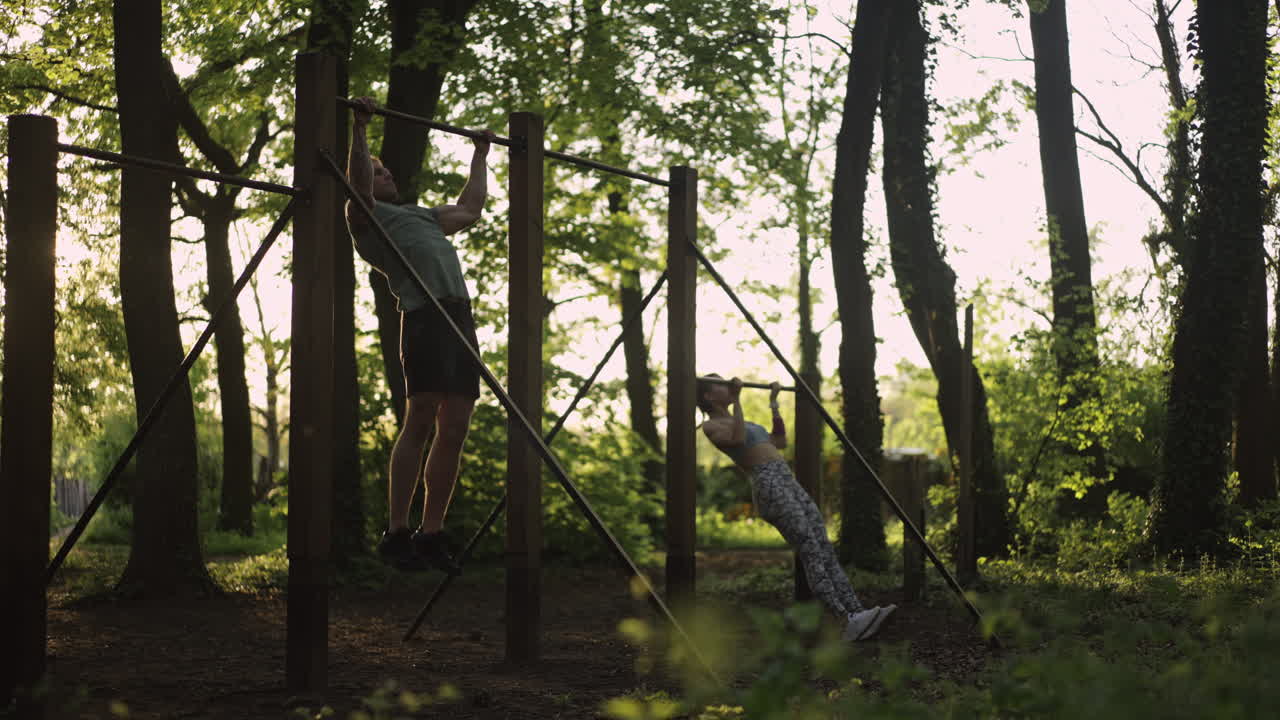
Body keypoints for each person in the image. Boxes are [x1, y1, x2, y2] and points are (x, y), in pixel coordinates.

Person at [346, 96, 496, 574]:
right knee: (423, 417)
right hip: (426, 318)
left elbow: (470, 207)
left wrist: (479, 154)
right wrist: (361, 130)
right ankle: (396, 531)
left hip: (460, 319)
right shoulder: (367, 219)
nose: (384, 173)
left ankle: (432, 534)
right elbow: (358, 186)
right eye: (377, 170)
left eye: (386, 169)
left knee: (455, 427)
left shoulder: (425, 216)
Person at [697, 374, 895, 641]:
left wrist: (774, 404)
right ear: (708, 396)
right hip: (768, 485)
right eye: (718, 384)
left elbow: (780, 442)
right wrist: (737, 400)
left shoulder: (743, 420)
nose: (726, 385)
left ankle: (858, 613)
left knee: (824, 547)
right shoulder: (712, 427)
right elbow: (737, 439)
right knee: (810, 549)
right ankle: (844, 620)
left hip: (786, 479)